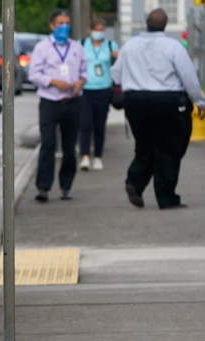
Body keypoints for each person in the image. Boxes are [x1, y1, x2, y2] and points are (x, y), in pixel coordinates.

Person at [111, 8, 205, 209]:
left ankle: (135, 182)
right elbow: (188, 77)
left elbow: (116, 74)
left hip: (135, 100)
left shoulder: (130, 45)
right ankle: (166, 196)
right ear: (166, 24)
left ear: (146, 22)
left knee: (144, 145)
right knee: (169, 148)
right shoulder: (173, 47)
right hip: (167, 101)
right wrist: (200, 102)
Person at [27, 9, 87, 202]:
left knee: (70, 146)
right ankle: (43, 187)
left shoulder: (76, 47)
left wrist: (80, 82)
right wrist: (53, 81)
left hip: (72, 102)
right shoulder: (42, 47)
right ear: (52, 26)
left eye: (67, 23)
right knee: (48, 144)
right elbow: (34, 75)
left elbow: (84, 71)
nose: (64, 27)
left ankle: (66, 187)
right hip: (50, 102)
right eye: (60, 23)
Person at [79, 18, 118, 171]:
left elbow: (118, 65)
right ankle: (85, 156)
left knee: (100, 125)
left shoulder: (110, 45)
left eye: (101, 29)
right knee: (85, 124)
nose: (98, 32)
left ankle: (98, 156)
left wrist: (117, 56)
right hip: (86, 88)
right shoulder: (82, 44)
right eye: (96, 29)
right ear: (90, 30)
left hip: (103, 88)